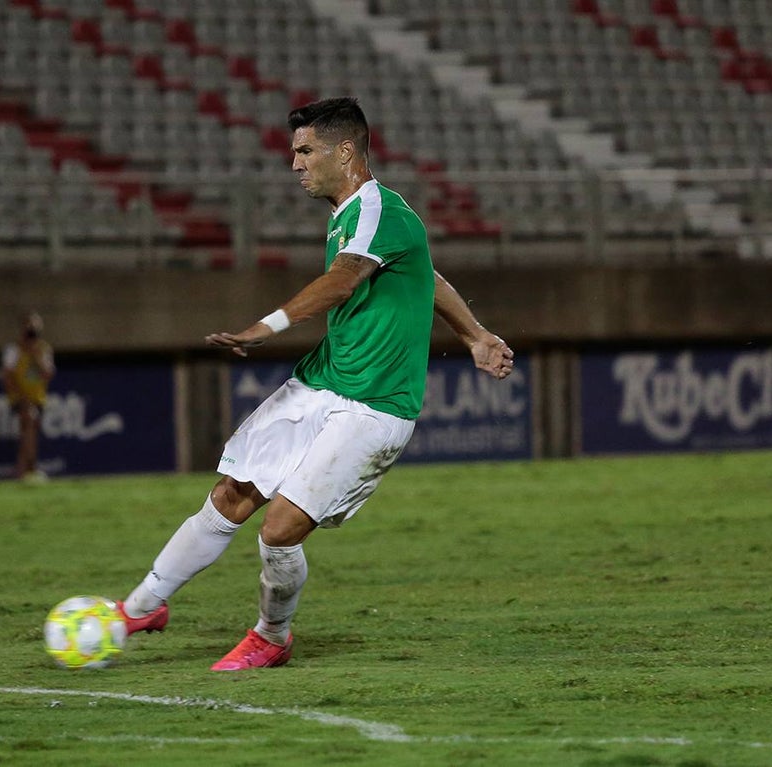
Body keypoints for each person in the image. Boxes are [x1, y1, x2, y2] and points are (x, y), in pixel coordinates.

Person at [116, 97, 515, 670]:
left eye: (305, 151)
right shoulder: (351, 215)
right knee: (230, 495)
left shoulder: (379, 209)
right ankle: (141, 606)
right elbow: (426, 272)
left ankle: (271, 637)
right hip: (321, 383)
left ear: (345, 151)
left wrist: (266, 326)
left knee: (278, 531)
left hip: (374, 406)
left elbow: (342, 283)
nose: (295, 165)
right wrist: (475, 334)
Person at [1, 311, 55, 484]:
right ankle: (29, 468)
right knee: (29, 419)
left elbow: (47, 374)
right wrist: (20, 397)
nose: (32, 331)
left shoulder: (43, 349)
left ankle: (22, 468)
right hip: (19, 397)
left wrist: (35, 355)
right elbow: (7, 376)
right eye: (29, 327)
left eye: (35, 328)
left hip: (38, 397)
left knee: (29, 429)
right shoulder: (13, 350)